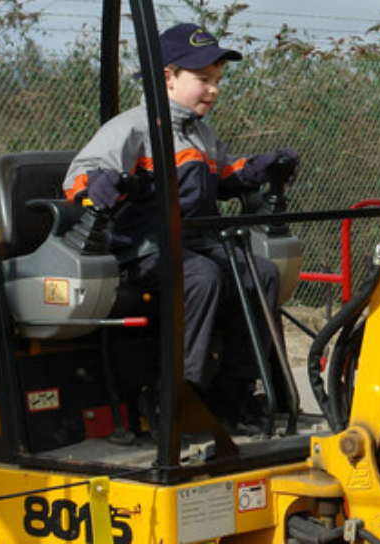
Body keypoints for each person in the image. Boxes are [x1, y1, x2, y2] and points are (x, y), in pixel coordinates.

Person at [63, 22, 299, 434]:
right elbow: (79, 178)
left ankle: (235, 392)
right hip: (140, 250)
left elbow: (223, 174)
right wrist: (98, 185)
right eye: (203, 79)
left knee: (261, 274)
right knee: (202, 277)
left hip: (192, 244)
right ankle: (176, 393)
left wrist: (257, 168)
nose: (213, 90)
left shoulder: (200, 132)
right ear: (167, 77)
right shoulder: (132, 128)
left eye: (218, 80)